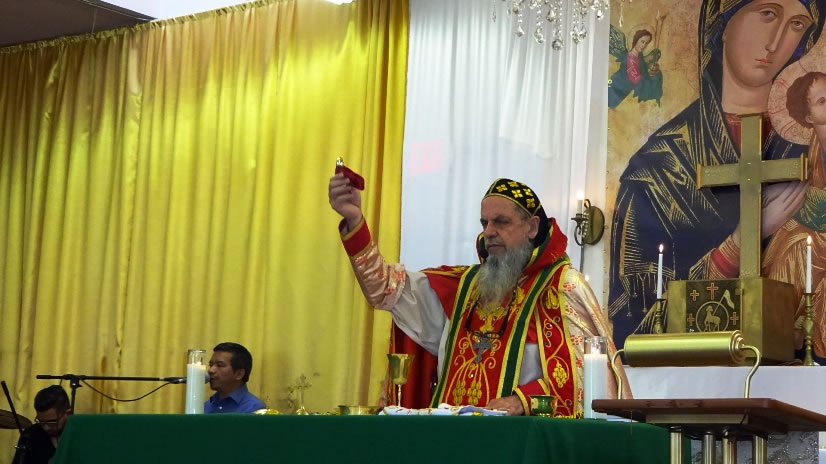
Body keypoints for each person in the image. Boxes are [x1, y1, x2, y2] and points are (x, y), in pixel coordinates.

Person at [608, 0, 826, 346]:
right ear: (721, 24)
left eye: (797, 25)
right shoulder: (657, 168)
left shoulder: (808, 154)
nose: (776, 42)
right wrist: (736, 244)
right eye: (768, 14)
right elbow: (631, 327)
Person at [329, 175, 631, 417]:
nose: (489, 232)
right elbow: (384, 289)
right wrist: (355, 221)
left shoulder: (562, 287)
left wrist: (523, 400)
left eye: (501, 222)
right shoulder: (463, 286)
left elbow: (590, 380)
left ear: (532, 226)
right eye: (485, 223)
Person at [764, 71, 826, 357]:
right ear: (808, 116)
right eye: (822, 101)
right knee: (786, 245)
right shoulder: (814, 149)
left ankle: (801, 325)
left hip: (818, 230)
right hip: (814, 228)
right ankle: (785, 329)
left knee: (799, 245)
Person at [12, 385, 72, 464]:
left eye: (51, 422)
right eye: (41, 422)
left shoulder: (81, 434)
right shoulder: (30, 435)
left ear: (68, 413)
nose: (46, 428)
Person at [204, 342, 266, 413]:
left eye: (219, 365)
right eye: (211, 365)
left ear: (239, 374)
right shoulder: (206, 406)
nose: (211, 370)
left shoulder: (254, 408)